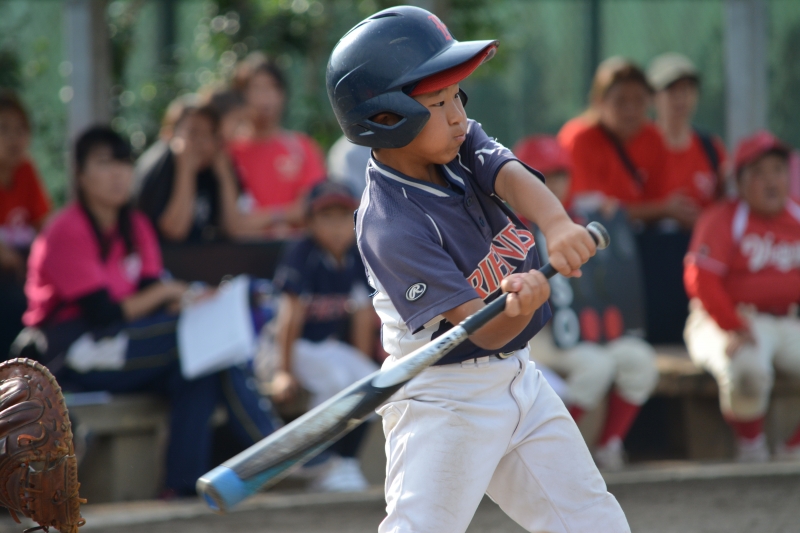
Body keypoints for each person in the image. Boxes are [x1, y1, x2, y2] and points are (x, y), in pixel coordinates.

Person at [328, 7, 630, 532]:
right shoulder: (390, 225)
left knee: (592, 521)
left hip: (519, 379)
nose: (457, 116)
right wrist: (521, 307)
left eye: (456, 97)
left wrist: (557, 224)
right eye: (437, 103)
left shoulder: (458, 141)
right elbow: (482, 329)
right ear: (386, 118)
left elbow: (508, 174)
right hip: (444, 400)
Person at [22, 126, 279, 496]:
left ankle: (183, 490)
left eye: (124, 163)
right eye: (104, 163)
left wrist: (191, 300)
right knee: (202, 342)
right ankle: (275, 452)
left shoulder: (136, 226)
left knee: (203, 366)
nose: (117, 173)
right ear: (80, 174)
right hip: (74, 353)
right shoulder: (64, 230)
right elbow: (103, 314)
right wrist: (171, 292)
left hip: (130, 346)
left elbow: (150, 293)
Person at [515, 136, 658, 470]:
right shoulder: (509, 224)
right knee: (596, 365)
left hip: (588, 330)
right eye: (542, 176)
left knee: (639, 359)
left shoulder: (583, 215)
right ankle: (553, 448)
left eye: (560, 175)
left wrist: (608, 218)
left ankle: (609, 446)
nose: (554, 184)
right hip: (535, 332)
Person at [684, 130, 800, 463]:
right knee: (747, 367)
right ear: (741, 181)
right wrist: (732, 324)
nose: (771, 180)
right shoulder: (722, 218)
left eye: (777, 170)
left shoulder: (795, 215)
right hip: (727, 317)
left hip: (786, 320)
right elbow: (702, 281)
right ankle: (751, 451)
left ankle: (793, 450)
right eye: (759, 172)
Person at [269, 181, 378, 491]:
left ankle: (346, 462)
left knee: (371, 381)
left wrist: (358, 361)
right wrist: (282, 372)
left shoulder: (356, 254)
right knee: (335, 380)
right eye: (326, 217)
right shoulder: (303, 252)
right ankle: (324, 464)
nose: (336, 226)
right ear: (310, 222)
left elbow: (362, 315)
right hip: (289, 348)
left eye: (343, 216)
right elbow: (289, 317)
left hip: (325, 348)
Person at [136, 95, 276, 242]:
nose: (201, 142)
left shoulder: (214, 168)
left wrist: (224, 174)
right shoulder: (160, 165)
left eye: (209, 134)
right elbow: (175, 230)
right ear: (170, 134)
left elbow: (234, 227)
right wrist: (186, 171)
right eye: (193, 132)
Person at [229, 55, 326, 229]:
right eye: (256, 88)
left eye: (272, 87)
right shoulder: (229, 153)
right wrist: (284, 214)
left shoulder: (302, 147)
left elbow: (310, 208)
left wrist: (264, 218)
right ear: (241, 96)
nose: (265, 96)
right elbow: (233, 223)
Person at [0, 90, 50, 358]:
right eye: (4, 129)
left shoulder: (26, 171)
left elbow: (44, 224)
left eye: (20, 130)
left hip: (22, 271)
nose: (14, 138)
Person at [649, 53, 727, 209]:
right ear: (652, 97)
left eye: (687, 89)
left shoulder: (711, 146)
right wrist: (663, 210)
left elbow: (726, 201)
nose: (680, 97)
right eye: (671, 89)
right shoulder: (639, 147)